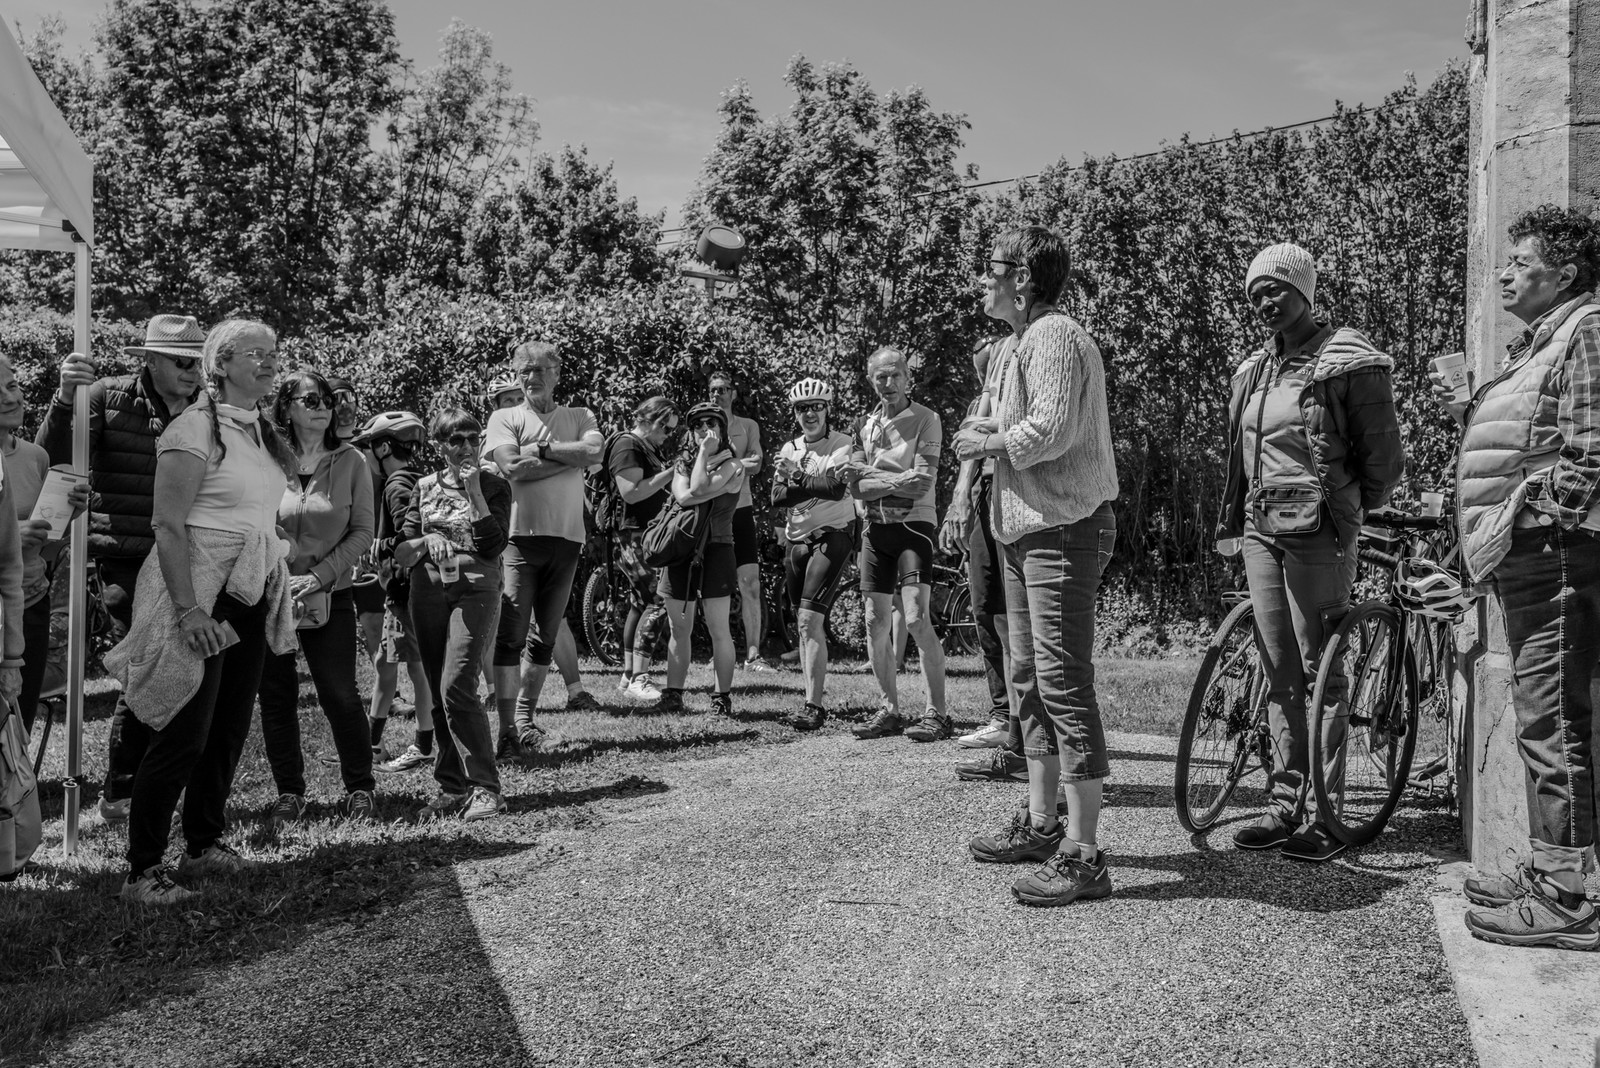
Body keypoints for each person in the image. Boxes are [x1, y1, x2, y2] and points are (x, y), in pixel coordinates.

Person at [1440, 205, 1600, 950]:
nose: (1503, 273)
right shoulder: (1542, 340)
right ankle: (1552, 872)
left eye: (1520, 262)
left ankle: (1568, 895)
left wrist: (1540, 517)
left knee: (1551, 721)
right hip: (1530, 551)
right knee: (1545, 718)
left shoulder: (1587, 328)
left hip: (1553, 552)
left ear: (1564, 274)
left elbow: (1590, 451)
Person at [1213, 242, 1404, 863]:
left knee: (1325, 667)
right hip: (1261, 529)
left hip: (1321, 530)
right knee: (1279, 667)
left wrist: (1349, 508)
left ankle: (1325, 813)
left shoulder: (1347, 360)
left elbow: (1383, 460)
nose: (1265, 301)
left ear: (1305, 290)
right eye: (1255, 293)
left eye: (1276, 289)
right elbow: (1240, 461)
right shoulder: (1254, 371)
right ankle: (1283, 799)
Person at [954, 226, 1123, 907]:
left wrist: (986, 440)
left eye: (991, 268)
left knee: (1061, 682)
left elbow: (1050, 429)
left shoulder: (1054, 335)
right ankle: (1044, 823)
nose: (981, 280)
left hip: (1064, 530)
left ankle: (1086, 857)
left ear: (1024, 277)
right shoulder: (1019, 343)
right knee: (1027, 681)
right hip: (1029, 531)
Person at [104, 319, 297, 905]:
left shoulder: (259, 430)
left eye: (272, 353)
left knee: (228, 724)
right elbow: (167, 524)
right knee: (184, 728)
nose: (267, 363)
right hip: (199, 591)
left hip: (248, 589)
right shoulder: (193, 428)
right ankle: (142, 871)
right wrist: (188, 610)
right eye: (253, 354)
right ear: (220, 364)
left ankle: (203, 843)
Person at [36, 314, 203, 821]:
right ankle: (125, 791)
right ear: (149, 359)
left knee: (177, 667)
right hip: (126, 556)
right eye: (182, 361)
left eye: (199, 361)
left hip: (191, 555)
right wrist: (66, 399)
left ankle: (141, 789)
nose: (193, 371)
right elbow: (49, 457)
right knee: (146, 666)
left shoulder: (207, 409)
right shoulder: (106, 395)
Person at [257, 371, 377, 825]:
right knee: (277, 697)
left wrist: (322, 576)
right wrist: (279, 578)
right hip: (271, 596)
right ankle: (290, 793)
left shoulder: (352, 461)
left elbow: (363, 531)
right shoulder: (266, 459)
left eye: (328, 398)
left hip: (332, 596)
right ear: (286, 406)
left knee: (341, 695)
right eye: (311, 399)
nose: (324, 406)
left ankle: (360, 788)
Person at [484, 341, 603, 752]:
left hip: (567, 539)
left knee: (545, 637)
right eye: (524, 371)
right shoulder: (505, 415)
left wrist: (544, 449)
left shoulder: (579, 415)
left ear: (556, 373)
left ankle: (524, 721)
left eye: (539, 369)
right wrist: (571, 459)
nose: (531, 377)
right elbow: (511, 466)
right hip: (520, 539)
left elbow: (595, 450)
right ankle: (505, 731)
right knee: (511, 634)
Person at [395, 408, 512, 821]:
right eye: (455, 440)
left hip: (477, 585)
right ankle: (451, 786)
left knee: (457, 683)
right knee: (435, 682)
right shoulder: (423, 487)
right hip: (427, 588)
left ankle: (485, 788)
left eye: (472, 438)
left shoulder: (496, 484)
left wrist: (474, 490)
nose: (466, 447)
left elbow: (495, 545)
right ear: (438, 445)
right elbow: (402, 550)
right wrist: (428, 538)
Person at [842, 347, 949, 741]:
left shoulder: (927, 419)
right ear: (870, 380)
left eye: (894, 376)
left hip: (914, 526)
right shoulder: (862, 424)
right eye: (879, 377)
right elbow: (854, 486)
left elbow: (922, 483)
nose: (887, 384)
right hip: (875, 531)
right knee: (874, 621)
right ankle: (889, 710)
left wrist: (872, 479)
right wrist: (892, 481)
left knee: (917, 619)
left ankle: (937, 713)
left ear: (907, 377)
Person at [946, 338, 1029, 783]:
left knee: (1019, 623)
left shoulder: (1036, 344)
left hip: (1020, 491)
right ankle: (1011, 730)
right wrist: (961, 495)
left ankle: (1023, 744)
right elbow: (969, 444)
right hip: (986, 491)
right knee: (991, 614)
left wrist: (985, 431)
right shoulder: (993, 372)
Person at [0, 355, 89, 733]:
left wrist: (65, 515)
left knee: (19, 727)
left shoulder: (35, 457)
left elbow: (46, 547)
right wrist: (8, 535)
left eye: (12, 385)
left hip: (32, 604)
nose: (10, 397)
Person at [351, 411, 438, 773]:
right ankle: (371, 747)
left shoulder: (396, 483)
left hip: (406, 594)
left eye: (370, 448)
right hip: (398, 593)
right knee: (386, 666)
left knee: (417, 671)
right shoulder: (412, 478)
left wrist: (379, 546)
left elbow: (409, 535)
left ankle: (424, 745)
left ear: (384, 447)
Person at [771, 378, 856, 730]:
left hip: (833, 538)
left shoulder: (842, 444)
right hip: (797, 542)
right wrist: (804, 480)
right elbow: (777, 496)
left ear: (827, 409)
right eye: (802, 408)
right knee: (804, 626)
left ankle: (813, 706)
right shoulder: (789, 448)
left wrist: (796, 477)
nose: (809, 414)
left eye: (816, 407)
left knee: (808, 621)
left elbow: (836, 490)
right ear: (795, 413)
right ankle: (810, 698)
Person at [654, 401, 744, 715]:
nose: (704, 430)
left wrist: (704, 454)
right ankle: (673, 695)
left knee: (719, 628)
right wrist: (699, 459)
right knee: (679, 627)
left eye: (711, 424)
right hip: (683, 549)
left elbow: (697, 488)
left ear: (722, 429)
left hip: (718, 548)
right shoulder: (683, 461)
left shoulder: (733, 466)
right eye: (697, 426)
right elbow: (684, 496)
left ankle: (721, 699)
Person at [606, 395, 678, 701]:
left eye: (672, 429)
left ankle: (627, 675)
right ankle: (639, 676)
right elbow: (631, 493)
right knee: (659, 600)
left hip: (645, 534)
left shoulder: (647, 447)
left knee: (639, 602)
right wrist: (673, 471)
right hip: (633, 535)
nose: (667, 434)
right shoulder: (628, 445)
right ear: (648, 420)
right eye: (665, 427)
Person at [706, 370, 768, 670]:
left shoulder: (748, 426)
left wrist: (726, 465)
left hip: (741, 509)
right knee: (715, 586)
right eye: (713, 389)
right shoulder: (703, 427)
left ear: (733, 393)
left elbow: (756, 464)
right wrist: (736, 464)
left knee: (750, 583)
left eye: (723, 389)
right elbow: (698, 468)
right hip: (711, 512)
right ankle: (720, 651)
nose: (717, 394)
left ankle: (754, 654)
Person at [324, 375, 361, 444]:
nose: (344, 403)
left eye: (348, 396)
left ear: (356, 402)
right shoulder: (318, 446)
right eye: (336, 398)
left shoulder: (372, 439)